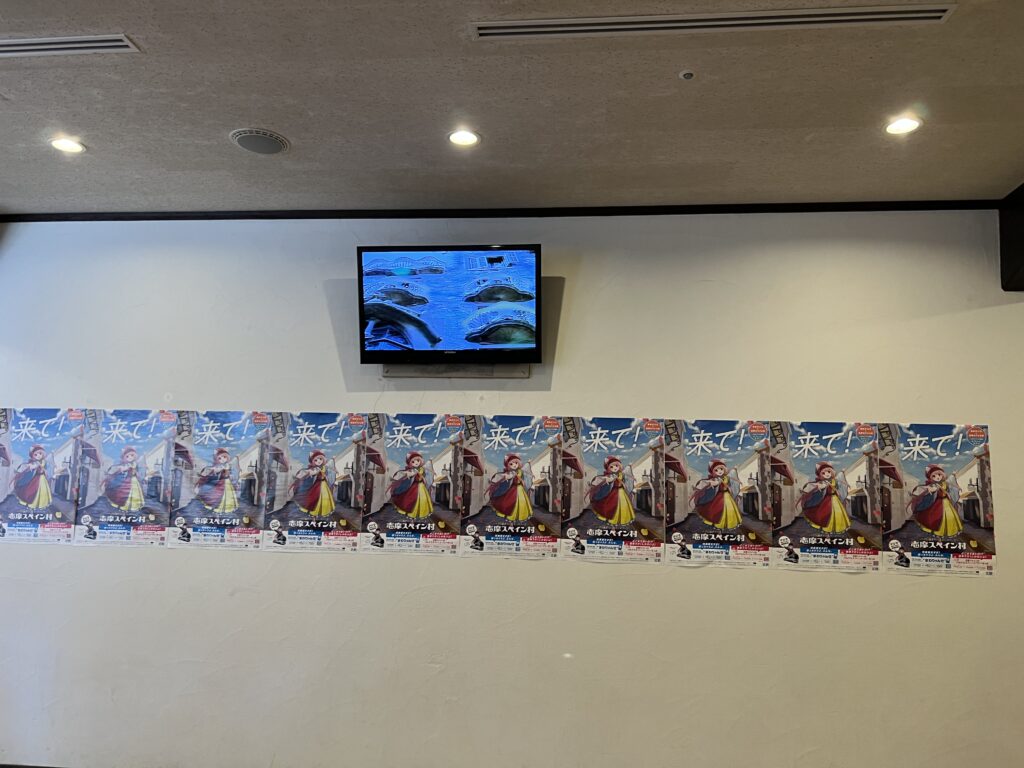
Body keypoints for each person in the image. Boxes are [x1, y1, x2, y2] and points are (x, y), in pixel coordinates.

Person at [908, 464, 963, 537]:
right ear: (931, 477)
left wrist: (953, 475)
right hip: (937, 503)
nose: (937, 477)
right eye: (934, 476)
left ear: (942, 475)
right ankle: (938, 532)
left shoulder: (945, 483)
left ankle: (951, 532)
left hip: (946, 502)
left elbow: (950, 481)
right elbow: (930, 490)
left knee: (950, 516)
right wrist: (931, 489)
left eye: (939, 474)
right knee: (935, 516)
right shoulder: (933, 485)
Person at [797, 462, 852, 534]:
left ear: (832, 472)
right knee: (826, 513)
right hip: (827, 499)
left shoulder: (834, 480)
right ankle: (828, 529)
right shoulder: (823, 482)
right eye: (823, 473)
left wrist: (842, 472)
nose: (827, 474)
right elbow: (817, 487)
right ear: (821, 475)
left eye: (829, 471)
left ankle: (838, 528)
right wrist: (821, 487)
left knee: (838, 513)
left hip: (835, 499)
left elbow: (840, 480)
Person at [690, 459, 743, 530]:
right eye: (716, 470)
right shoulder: (716, 479)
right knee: (717, 509)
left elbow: (732, 474)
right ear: (713, 472)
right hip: (720, 496)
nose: (719, 471)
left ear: (724, 469)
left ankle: (730, 524)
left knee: (730, 509)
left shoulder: (727, 477)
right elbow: (714, 484)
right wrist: (714, 484)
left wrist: (734, 469)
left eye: (721, 469)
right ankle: (719, 524)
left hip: (727, 496)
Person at [587, 456, 635, 525]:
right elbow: (602, 480)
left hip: (622, 492)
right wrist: (608, 480)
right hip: (613, 492)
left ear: (619, 466)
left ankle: (624, 520)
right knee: (611, 506)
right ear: (608, 468)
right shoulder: (610, 476)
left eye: (616, 466)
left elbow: (626, 472)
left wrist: (629, 466)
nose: (615, 468)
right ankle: (613, 520)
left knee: (624, 506)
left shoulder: (621, 474)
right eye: (611, 467)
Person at [487, 453, 533, 522]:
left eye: (516, 463)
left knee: (522, 502)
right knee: (510, 502)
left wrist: (528, 463)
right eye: (511, 464)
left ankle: (522, 516)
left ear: (518, 463)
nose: (514, 465)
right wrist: (507, 477)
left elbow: (525, 468)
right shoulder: (511, 473)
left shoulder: (520, 471)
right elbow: (507, 477)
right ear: (508, 465)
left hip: (520, 489)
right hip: (513, 489)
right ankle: (512, 517)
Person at [388, 451, 434, 519]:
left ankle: (422, 513)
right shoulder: (411, 470)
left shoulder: (422, 469)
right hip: (414, 486)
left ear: (420, 461)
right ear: (410, 463)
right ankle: (412, 513)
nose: (416, 462)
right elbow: (407, 476)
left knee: (423, 499)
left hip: (421, 486)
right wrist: (411, 474)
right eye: (413, 461)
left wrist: (430, 461)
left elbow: (427, 470)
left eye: (418, 460)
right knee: (411, 499)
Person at [290, 450, 336, 517]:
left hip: (324, 484)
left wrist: (332, 459)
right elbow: (307, 472)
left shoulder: (324, 467)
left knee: (326, 497)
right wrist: (299, 475)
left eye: (320, 459)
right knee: (315, 498)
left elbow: (329, 464)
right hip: (318, 484)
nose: (319, 461)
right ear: (313, 462)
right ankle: (314, 512)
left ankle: (324, 511)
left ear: (323, 459)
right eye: (316, 460)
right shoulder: (315, 469)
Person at [195, 447, 240, 514]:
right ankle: (219, 507)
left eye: (224, 457)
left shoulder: (227, 465)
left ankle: (226, 508)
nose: (222, 459)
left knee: (226, 495)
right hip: (222, 481)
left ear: (227, 457)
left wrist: (217, 469)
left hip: (226, 482)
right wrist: (213, 470)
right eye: (220, 458)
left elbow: (225, 472)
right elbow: (216, 470)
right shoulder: (221, 466)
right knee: (218, 494)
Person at [102, 446, 146, 513]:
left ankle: (134, 506)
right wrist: (123, 469)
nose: (130, 457)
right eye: (127, 456)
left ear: (134, 456)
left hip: (134, 480)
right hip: (127, 479)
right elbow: (122, 469)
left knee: (135, 492)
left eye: (132, 455)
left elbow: (136, 469)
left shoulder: (134, 463)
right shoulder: (126, 465)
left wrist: (135, 472)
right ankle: (125, 506)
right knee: (124, 492)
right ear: (125, 458)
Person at [12, 445, 53, 510]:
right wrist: (33, 466)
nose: (38, 456)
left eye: (40, 453)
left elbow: (45, 469)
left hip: (43, 478)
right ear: (33, 456)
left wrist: (45, 471)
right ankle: (33, 504)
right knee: (33, 490)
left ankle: (42, 504)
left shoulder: (44, 462)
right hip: (36, 477)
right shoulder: (34, 462)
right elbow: (31, 468)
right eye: (35, 455)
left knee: (43, 490)